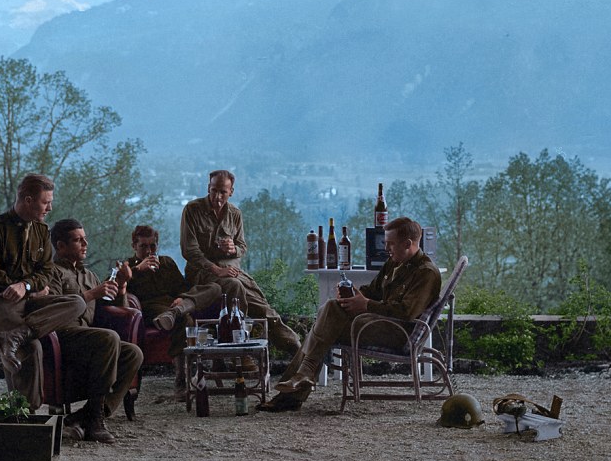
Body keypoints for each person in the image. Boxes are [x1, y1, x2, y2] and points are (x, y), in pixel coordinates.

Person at [257, 216, 442, 413]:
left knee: (325, 320)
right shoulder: (395, 263)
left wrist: (366, 305)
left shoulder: (426, 272)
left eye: (390, 244)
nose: (386, 248)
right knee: (328, 314)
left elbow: (406, 312)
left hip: (398, 332)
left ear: (407, 244)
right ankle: (301, 379)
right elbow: (372, 291)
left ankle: (296, 386)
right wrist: (352, 292)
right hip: (379, 323)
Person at [0, 173, 87, 377]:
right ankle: (22, 408)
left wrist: (26, 286)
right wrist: (30, 289)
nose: (50, 208)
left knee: (77, 303)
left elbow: (45, 270)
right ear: (28, 200)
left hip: (29, 299)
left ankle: (14, 336)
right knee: (31, 349)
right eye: (46, 202)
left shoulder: (42, 231)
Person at [180, 169, 301, 357]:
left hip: (232, 272)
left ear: (231, 192)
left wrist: (233, 249)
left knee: (262, 307)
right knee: (235, 286)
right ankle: (241, 352)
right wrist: (216, 269)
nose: (217, 196)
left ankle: (296, 349)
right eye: (214, 190)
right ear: (208, 188)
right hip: (203, 275)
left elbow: (242, 246)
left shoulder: (235, 214)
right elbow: (190, 251)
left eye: (223, 192)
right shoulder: (193, 210)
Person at [46, 218, 143, 443]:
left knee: (133, 353)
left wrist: (122, 285)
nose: (85, 244)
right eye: (78, 240)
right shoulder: (52, 273)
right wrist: (91, 294)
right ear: (60, 246)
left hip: (89, 337)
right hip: (62, 336)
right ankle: (96, 420)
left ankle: (86, 416)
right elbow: (54, 310)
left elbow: (112, 310)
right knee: (108, 338)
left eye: (85, 239)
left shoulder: (89, 276)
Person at [125, 225, 238, 381]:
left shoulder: (166, 262)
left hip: (176, 305)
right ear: (134, 246)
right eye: (143, 246)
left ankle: (177, 311)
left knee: (215, 287)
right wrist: (138, 269)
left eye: (153, 246)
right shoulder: (128, 267)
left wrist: (182, 297)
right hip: (152, 309)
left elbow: (182, 287)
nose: (149, 251)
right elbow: (113, 287)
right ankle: (181, 379)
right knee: (184, 319)